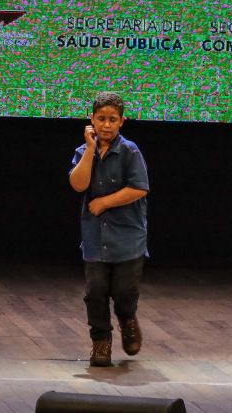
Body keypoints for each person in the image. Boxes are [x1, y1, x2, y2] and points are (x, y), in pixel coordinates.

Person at [69, 92, 150, 367]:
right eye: (101, 119)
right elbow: (78, 184)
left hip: (127, 236)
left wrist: (105, 202)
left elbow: (139, 188)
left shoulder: (130, 151)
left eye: (112, 120)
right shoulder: (83, 152)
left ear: (121, 122)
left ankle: (127, 320)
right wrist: (90, 149)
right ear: (91, 120)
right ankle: (101, 342)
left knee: (125, 290)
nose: (106, 125)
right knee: (95, 292)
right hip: (96, 238)